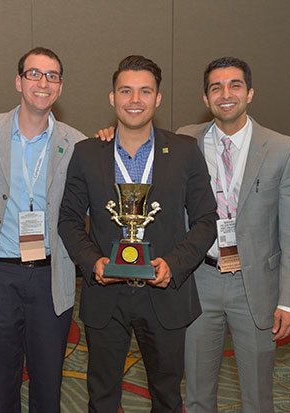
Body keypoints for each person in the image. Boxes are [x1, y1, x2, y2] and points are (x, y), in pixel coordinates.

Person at [59, 55, 218, 412]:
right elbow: (69, 219)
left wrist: (173, 265)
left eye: (145, 91)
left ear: (158, 98)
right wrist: (93, 262)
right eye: (126, 90)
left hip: (165, 294)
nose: (135, 99)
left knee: (166, 395)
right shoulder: (87, 153)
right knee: (101, 396)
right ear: (112, 98)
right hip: (106, 296)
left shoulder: (184, 151)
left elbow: (207, 217)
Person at [179, 57, 290, 412]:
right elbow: (137, 144)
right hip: (200, 282)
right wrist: (108, 134)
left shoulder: (283, 149)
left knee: (256, 396)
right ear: (205, 98)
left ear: (250, 93)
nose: (226, 94)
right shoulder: (182, 141)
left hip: (255, 288)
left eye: (235, 85)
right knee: (196, 393)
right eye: (216, 87)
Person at [0, 47, 86, 413]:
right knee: (1, 379)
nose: (42, 82)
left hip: (52, 276)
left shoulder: (76, 143)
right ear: (19, 81)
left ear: (60, 87)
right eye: (34, 74)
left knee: (48, 380)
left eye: (52, 76)